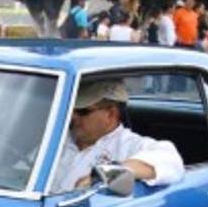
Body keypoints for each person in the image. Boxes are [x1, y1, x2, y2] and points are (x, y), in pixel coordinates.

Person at [50, 79, 184, 193]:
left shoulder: (128, 145)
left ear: (110, 114)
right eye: (70, 110)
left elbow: (171, 162)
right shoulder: (57, 137)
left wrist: (104, 175)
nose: (73, 116)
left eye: (82, 111)